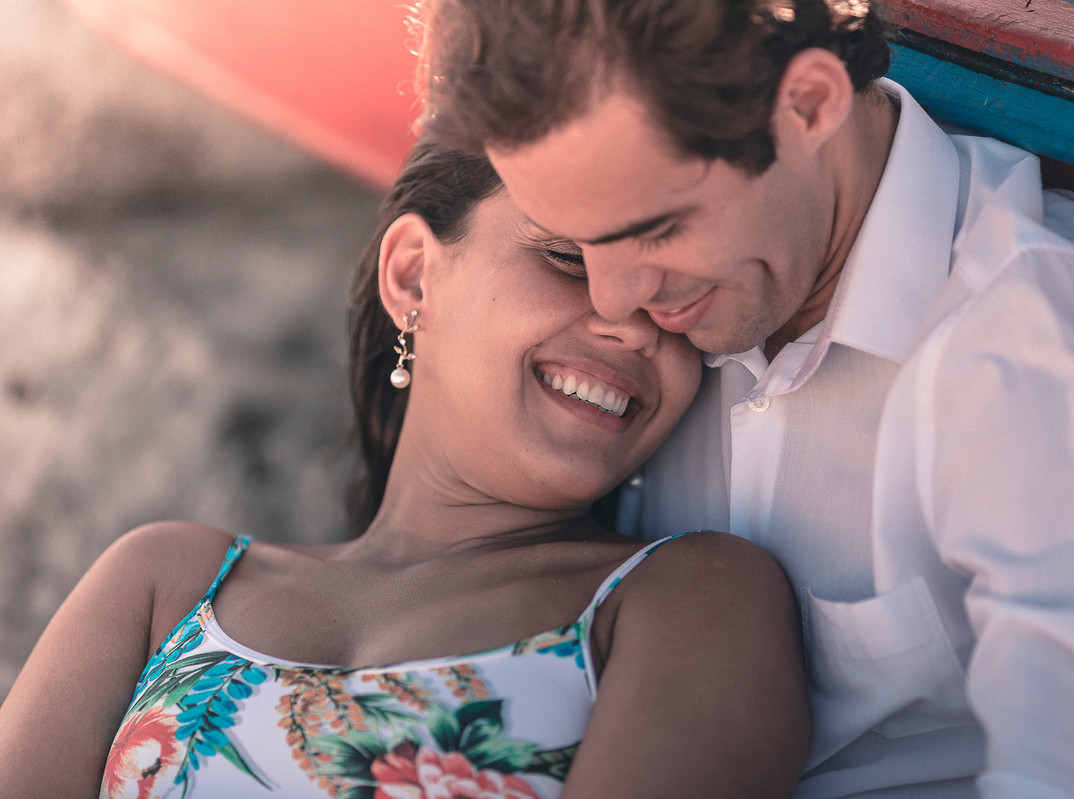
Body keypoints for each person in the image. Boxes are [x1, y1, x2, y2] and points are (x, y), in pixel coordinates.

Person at [417, 0, 1074, 795]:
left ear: (810, 105)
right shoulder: (680, 316)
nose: (614, 302)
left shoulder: (1038, 351)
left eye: (652, 227)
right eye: (569, 241)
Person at [0, 140, 810, 798]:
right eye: (570, 259)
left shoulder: (689, 600)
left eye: (678, 300)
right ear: (414, 274)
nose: (634, 327)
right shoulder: (169, 582)